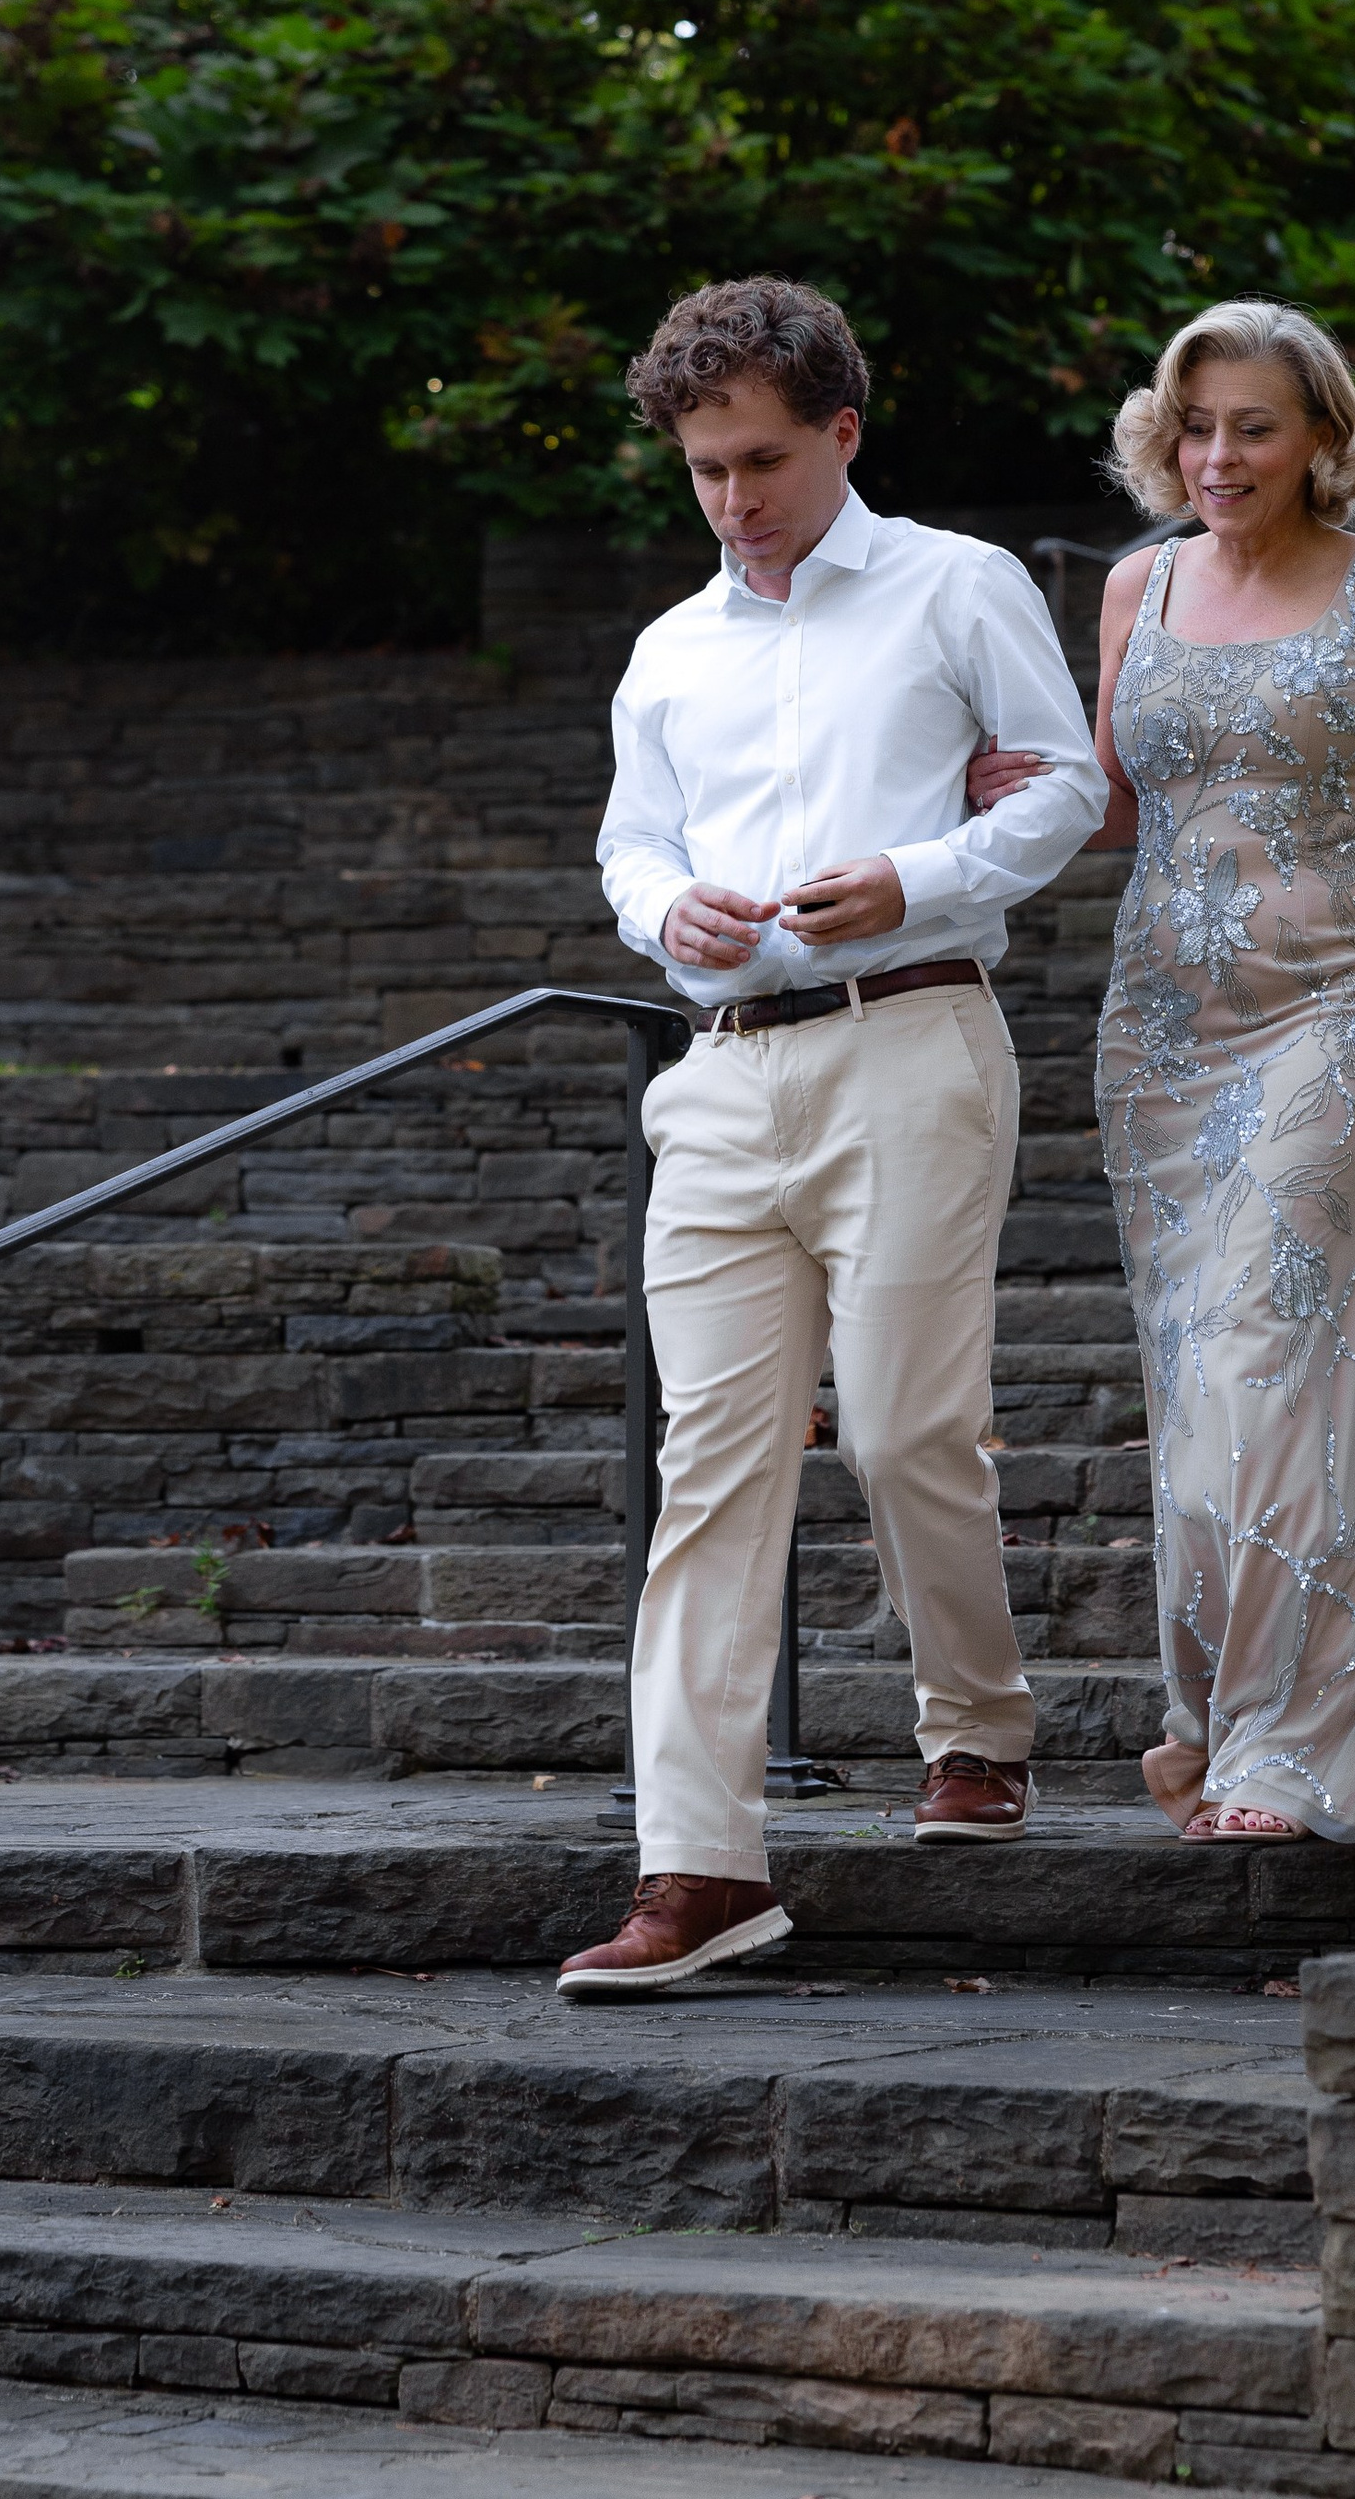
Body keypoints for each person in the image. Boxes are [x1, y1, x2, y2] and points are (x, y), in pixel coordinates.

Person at [557, 276, 1108, 1995]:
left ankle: (981, 1725)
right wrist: (672, 919)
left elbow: (1068, 780)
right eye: (706, 467)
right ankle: (701, 1865)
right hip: (720, 1075)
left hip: (915, 1040)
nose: (734, 497)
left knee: (900, 1426)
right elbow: (629, 849)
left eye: (765, 458)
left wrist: (916, 875)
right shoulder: (669, 650)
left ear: (842, 430)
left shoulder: (959, 583)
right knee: (706, 1472)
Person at [970, 298, 1355, 1843]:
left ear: (1324, 437)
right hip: (1162, 1027)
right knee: (1197, 1373)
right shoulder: (1135, 586)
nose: (1218, 454)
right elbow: (1116, 802)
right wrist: (970, 785)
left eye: (1254, 426)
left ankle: (1295, 1739)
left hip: (1338, 999)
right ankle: (1216, 1721)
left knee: (1271, 1336)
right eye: (1195, 425)